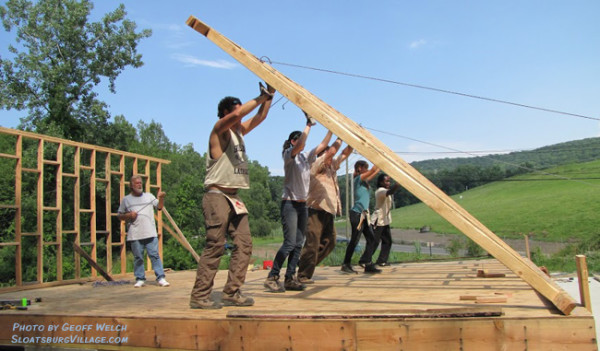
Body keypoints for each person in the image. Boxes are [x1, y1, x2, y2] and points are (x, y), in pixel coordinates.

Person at [190, 82, 275, 309]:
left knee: (245, 244)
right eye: (236, 112)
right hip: (216, 195)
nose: (240, 116)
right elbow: (241, 113)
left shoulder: (238, 132)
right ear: (226, 114)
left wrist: (270, 97)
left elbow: (259, 118)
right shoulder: (219, 129)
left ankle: (231, 292)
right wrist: (260, 96)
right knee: (215, 245)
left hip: (234, 198)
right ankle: (199, 296)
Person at [264, 114, 331, 293]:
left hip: (302, 205)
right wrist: (308, 124)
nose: (301, 143)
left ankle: (290, 278)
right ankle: (272, 277)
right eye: (297, 140)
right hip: (290, 204)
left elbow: (322, 147)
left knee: (299, 243)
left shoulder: (305, 158)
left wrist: (332, 130)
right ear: (292, 142)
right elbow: (301, 143)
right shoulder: (289, 156)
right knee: (289, 243)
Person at [297, 134, 352, 284]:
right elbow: (333, 152)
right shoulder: (315, 166)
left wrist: (353, 142)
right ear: (322, 155)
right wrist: (340, 135)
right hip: (315, 210)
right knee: (312, 243)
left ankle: (304, 262)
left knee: (330, 241)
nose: (330, 156)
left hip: (328, 211)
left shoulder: (331, 167)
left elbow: (344, 154)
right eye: (326, 153)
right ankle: (303, 274)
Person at [117, 174, 169, 288]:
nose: (140, 185)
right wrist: (129, 215)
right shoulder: (126, 200)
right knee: (138, 257)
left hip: (150, 232)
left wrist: (161, 198)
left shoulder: (149, 196)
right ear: (131, 186)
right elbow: (119, 215)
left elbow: (159, 207)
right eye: (137, 183)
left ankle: (161, 278)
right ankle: (140, 278)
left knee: (154, 255)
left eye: (140, 183)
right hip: (135, 234)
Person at [342, 160, 381, 274]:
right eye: (365, 168)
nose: (368, 170)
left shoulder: (364, 181)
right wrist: (379, 159)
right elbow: (374, 170)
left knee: (372, 239)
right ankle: (346, 264)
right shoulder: (358, 180)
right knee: (355, 240)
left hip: (364, 215)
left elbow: (376, 171)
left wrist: (381, 165)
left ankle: (367, 262)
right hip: (357, 214)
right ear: (359, 168)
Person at [372, 173, 400, 267]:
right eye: (386, 181)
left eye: (389, 181)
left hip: (385, 221)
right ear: (381, 182)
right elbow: (391, 192)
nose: (388, 183)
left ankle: (382, 260)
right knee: (374, 242)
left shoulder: (385, 190)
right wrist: (398, 184)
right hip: (378, 221)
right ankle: (365, 260)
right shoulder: (380, 191)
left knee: (387, 241)